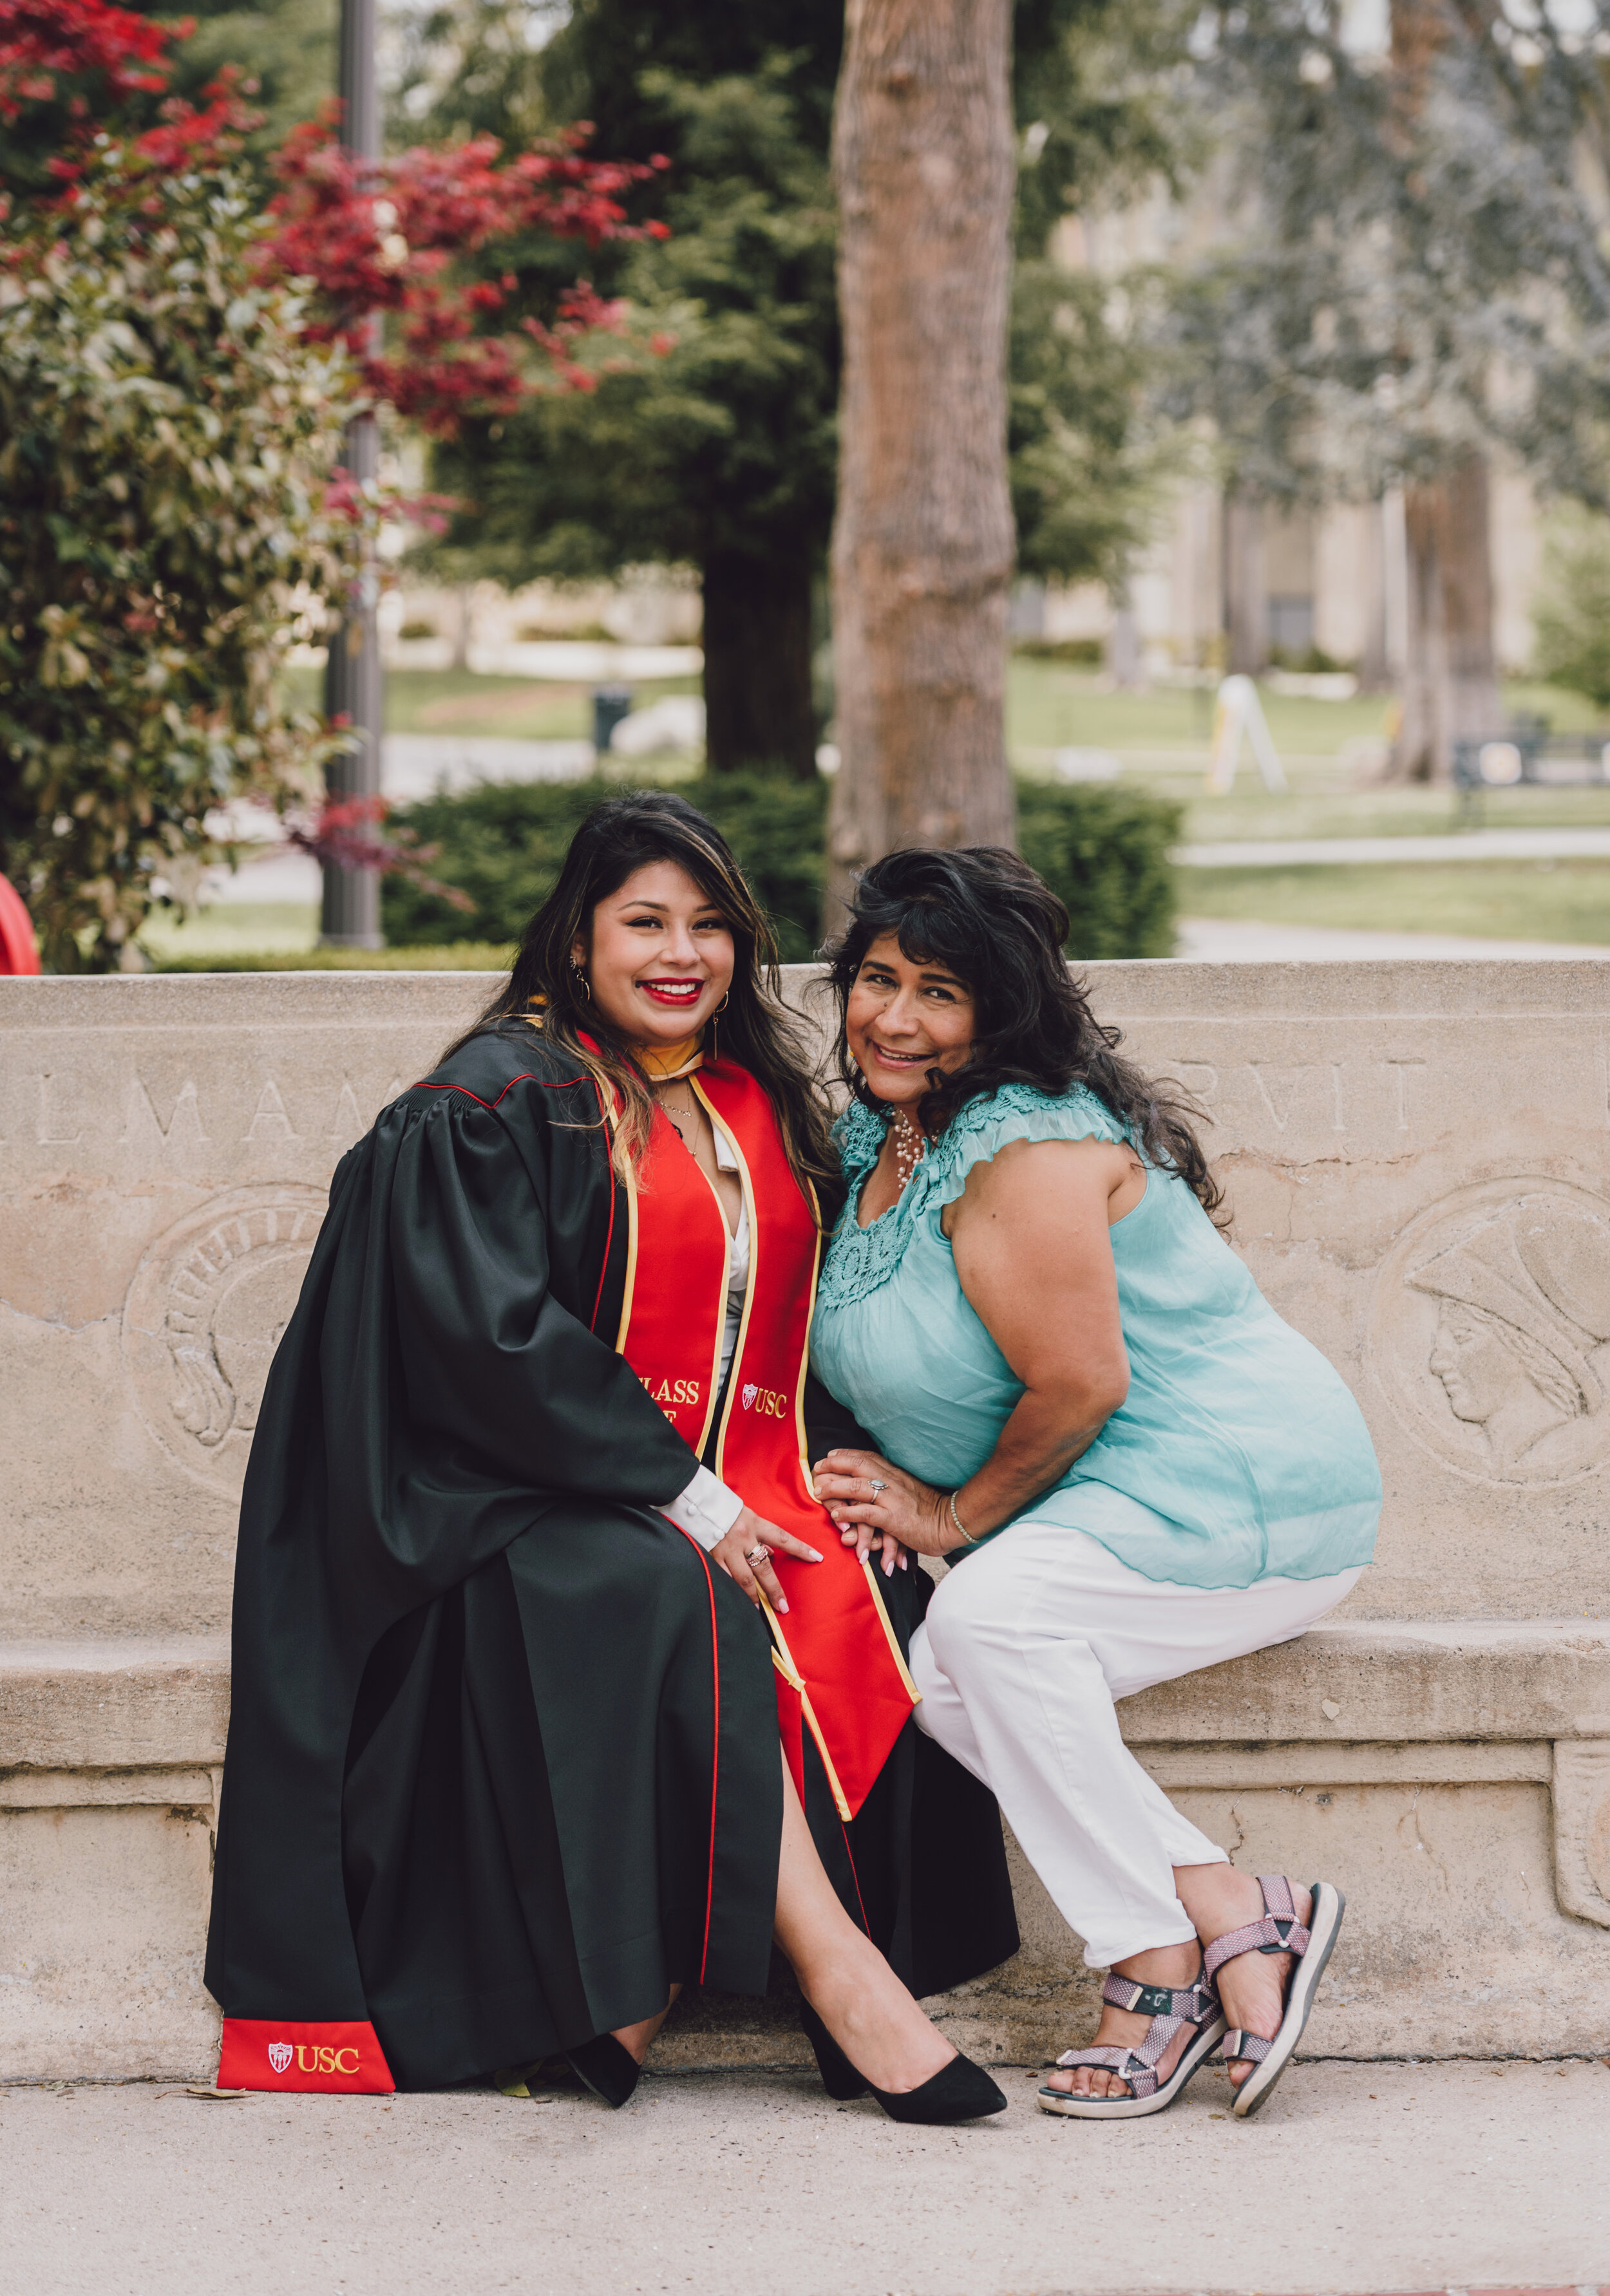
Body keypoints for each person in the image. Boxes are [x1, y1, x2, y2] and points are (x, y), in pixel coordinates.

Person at [206, 793, 1012, 2123]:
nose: (678, 952)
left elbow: (779, 1326)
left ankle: (629, 1995)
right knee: (673, 1592)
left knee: (852, 1575)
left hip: (657, 1481)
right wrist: (691, 1498)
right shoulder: (496, 1099)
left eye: (708, 925)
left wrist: (850, 1475)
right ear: (576, 939)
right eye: (643, 920)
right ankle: (843, 1977)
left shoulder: (745, 1100)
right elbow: (490, 1351)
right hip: (473, 1495)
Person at [809, 845, 1382, 2122]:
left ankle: (1147, 1960)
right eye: (875, 978)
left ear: (996, 1012)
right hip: (1098, 1500)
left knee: (986, 1622)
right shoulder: (882, 1131)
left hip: (1241, 1481)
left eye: (938, 992)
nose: (892, 1017)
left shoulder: (1020, 1144)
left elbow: (1074, 1384)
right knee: (944, 1678)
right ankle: (1236, 1906)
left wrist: (948, 1516)